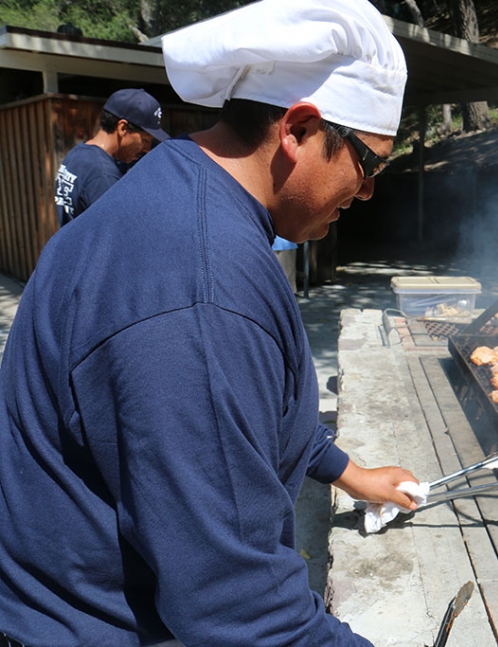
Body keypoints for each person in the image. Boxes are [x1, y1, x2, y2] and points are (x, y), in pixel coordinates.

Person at [0, 0, 417, 644]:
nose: (366, 194)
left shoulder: (177, 186)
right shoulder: (198, 290)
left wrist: (351, 474)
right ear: (298, 129)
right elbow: (236, 602)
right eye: (369, 165)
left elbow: (243, 414)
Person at [54, 88, 171, 225]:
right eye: (145, 140)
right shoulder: (103, 176)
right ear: (123, 128)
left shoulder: (78, 154)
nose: (147, 149)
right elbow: (116, 234)